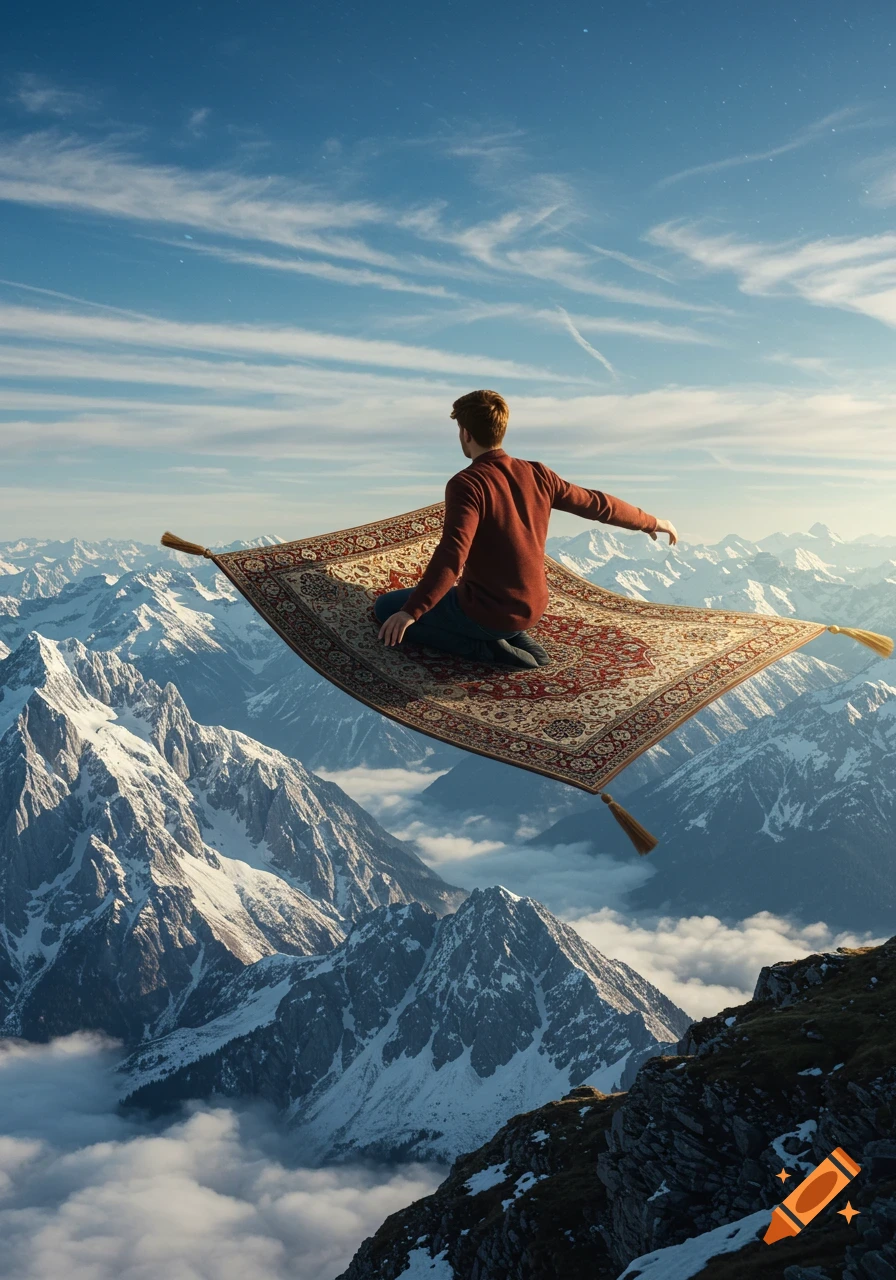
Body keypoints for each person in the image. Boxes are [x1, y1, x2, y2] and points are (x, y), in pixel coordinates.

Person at [374, 390, 678, 669]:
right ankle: (511, 637)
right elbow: (597, 504)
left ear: (465, 433)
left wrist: (412, 611)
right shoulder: (538, 473)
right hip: (534, 606)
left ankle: (487, 649)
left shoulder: (467, 483)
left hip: (491, 613)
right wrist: (652, 522)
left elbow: (452, 554)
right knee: (460, 600)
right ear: (501, 429)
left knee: (386, 608)